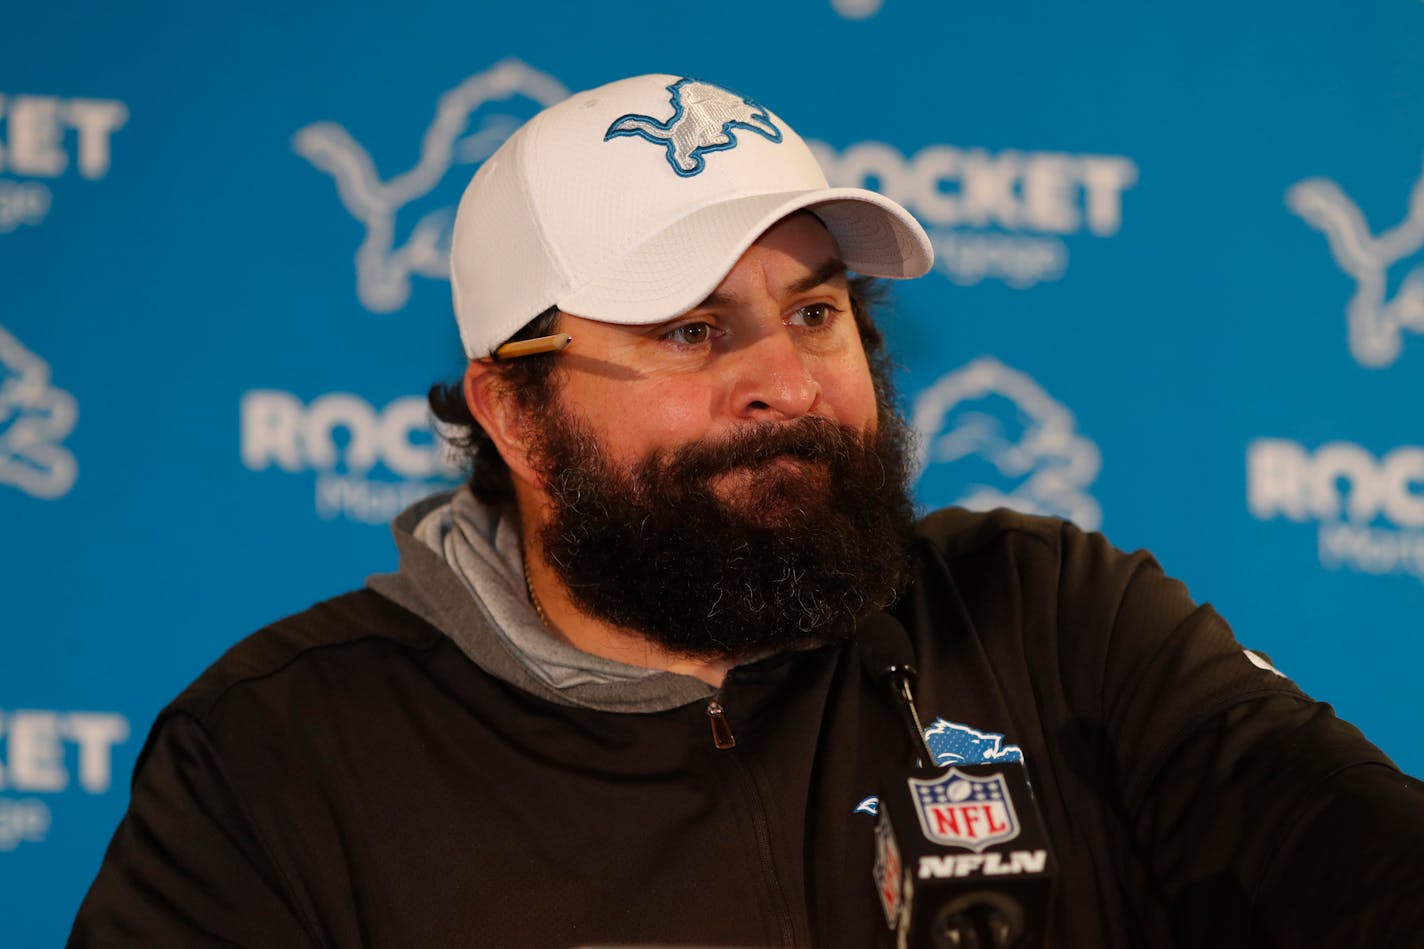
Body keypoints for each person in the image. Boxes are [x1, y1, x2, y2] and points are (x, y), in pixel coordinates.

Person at [70, 73, 1423, 949]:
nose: (788, 379)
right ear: (512, 412)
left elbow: (1360, 860)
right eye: (688, 330)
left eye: (818, 311)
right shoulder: (278, 760)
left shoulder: (1049, 618)